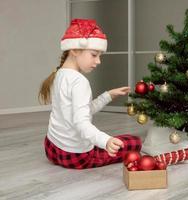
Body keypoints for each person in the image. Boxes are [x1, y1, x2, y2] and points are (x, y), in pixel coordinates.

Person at [38, 19, 141, 169]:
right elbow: (81, 122)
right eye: (94, 55)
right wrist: (105, 141)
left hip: (52, 148)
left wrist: (108, 96)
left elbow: (79, 112)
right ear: (74, 50)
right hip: (75, 156)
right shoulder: (79, 82)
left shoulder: (59, 74)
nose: (98, 61)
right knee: (134, 142)